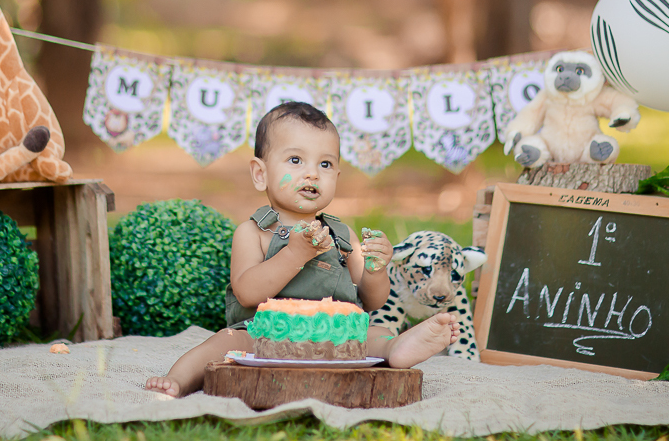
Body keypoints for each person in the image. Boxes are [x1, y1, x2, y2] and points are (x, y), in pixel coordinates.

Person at [146, 101, 459, 397]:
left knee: (373, 333)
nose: (312, 173)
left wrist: (376, 271)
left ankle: (398, 349)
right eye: (295, 160)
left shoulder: (341, 233)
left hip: (335, 338)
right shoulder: (253, 232)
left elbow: (373, 300)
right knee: (222, 342)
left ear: (337, 176)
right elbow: (247, 292)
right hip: (262, 337)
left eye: (325, 164)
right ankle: (177, 380)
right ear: (260, 173)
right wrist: (294, 254)